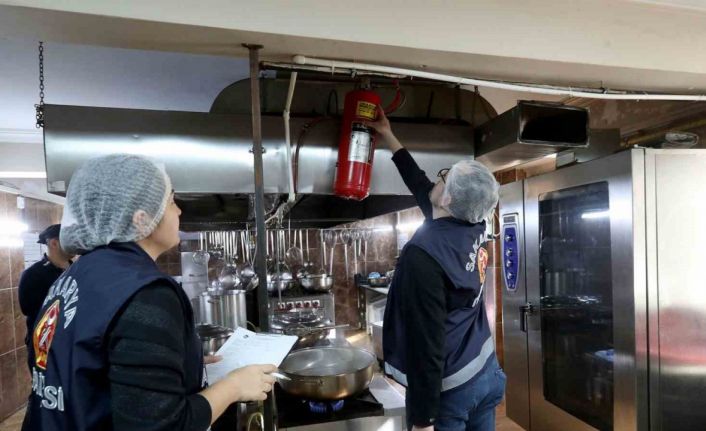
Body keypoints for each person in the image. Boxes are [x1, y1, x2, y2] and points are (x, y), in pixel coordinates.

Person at [23, 154, 276, 431]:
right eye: (171, 201)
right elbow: (165, 426)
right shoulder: (146, 292)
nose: (179, 211)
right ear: (142, 220)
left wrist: (173, 367)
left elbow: (91, 368)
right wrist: (234, 386)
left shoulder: (77, 275)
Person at [367, 109, 505, 431]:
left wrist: (423, 420)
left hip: (451, 390)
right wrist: (387, 134)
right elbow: (418, 181)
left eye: (444, 177)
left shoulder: (423, 256)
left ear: (447, 198)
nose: (437, 179)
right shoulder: (473, 224)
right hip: (486, 371)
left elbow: (426, 346)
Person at [18, 224, 73, 361]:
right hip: (45, 347)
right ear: (54, 243)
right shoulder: (33, 274)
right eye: (69, 239)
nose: (75, 243)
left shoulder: (78, 270)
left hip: (72, 343)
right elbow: (28, 309)